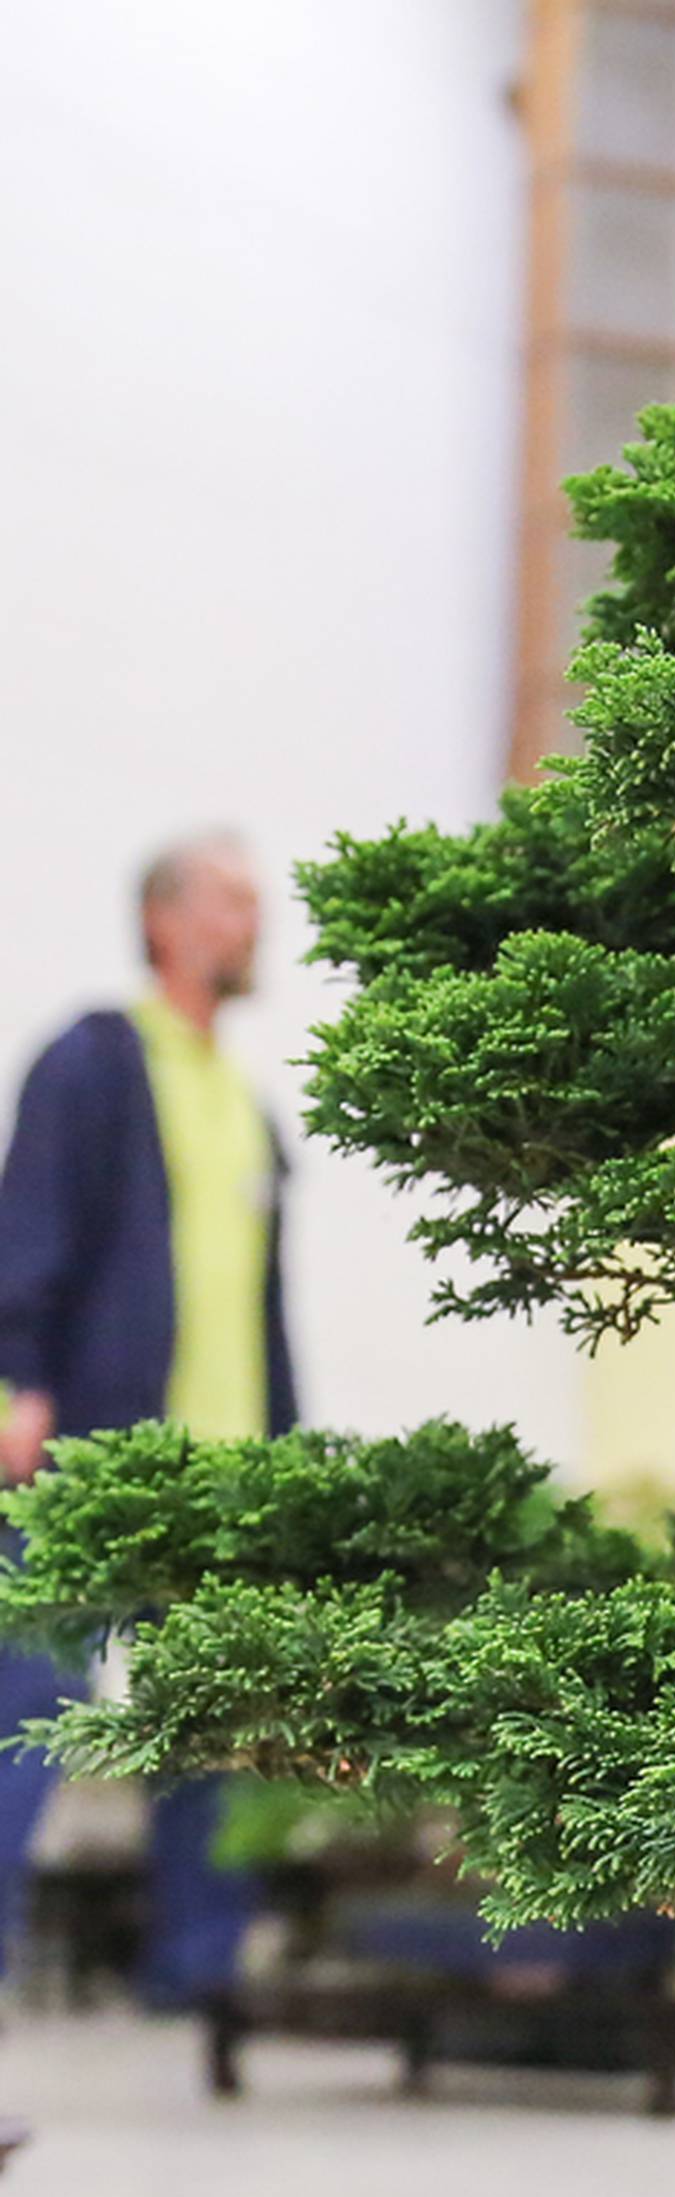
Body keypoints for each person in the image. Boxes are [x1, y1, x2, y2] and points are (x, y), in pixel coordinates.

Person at [0, 833, 298, 2004]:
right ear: (166, 919)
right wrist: (17, 1380)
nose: (251, 924)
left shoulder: (244, 1099)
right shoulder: (95, 1062)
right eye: (231, 902)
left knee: (215, 1736)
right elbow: (29, 1234)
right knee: (29, 1711)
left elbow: (261, 1311)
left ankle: (199, 1973)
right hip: (94, 1461)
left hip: (223, 1478)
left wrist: (288, 1464)